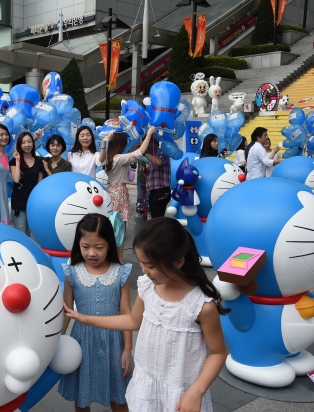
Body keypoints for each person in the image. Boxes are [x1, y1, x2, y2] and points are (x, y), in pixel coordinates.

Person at [64, 217, 228, 412]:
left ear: (178, 262)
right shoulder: (148, 286)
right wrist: (87, 319)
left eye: (150, 266)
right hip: (146, 384)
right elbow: (133, 320)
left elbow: (218, 353)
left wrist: (197, 391)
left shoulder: (201, 306)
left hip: (181, 392)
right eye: (142, 263)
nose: (144, 271)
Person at [58, 213, 133, 412]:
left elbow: (127, 314)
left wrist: (127, 349)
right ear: (78, 245)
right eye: (86, 247)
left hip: (114, 343)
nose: (92, 253)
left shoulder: (120, 272)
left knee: (119, 397)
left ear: (109, 244)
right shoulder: (72, 272)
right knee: (82, 397)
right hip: (82, 341)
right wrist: (58, 340)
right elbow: (67, 311)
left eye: (99, 247)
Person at [100, 128, 154, 262]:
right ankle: (119, 259)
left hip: (112, 191)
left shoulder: (111, 158)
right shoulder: (119, 159)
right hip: (120, 193)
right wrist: (149, 134)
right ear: (120, 144)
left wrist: (132, 149)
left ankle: (113, 258)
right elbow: (140, 152)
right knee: (119, 230)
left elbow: (131, 154)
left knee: (112, 228)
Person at [10, 130, 45, 235]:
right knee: (21, 235)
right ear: (19, 145)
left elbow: (39, 185)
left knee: (29, 235)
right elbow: (16, 179)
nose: (27, 145)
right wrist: (17, 161)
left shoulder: (39, 161)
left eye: (29, 142)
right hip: (19, 204)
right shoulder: (13, 162)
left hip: (32, 205)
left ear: (33, 143)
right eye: (24, 142)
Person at [144, 138, 171, 219]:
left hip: (160, 191)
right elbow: (154, 177)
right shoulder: (153, 155)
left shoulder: (161, 152)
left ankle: (161, 231)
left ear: (154, 143)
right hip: (154, 191)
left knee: (157, 218)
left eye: (147, 143)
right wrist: (145, 173)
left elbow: (159, 162)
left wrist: (144, 153)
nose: (146, 146)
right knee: (155, 216)